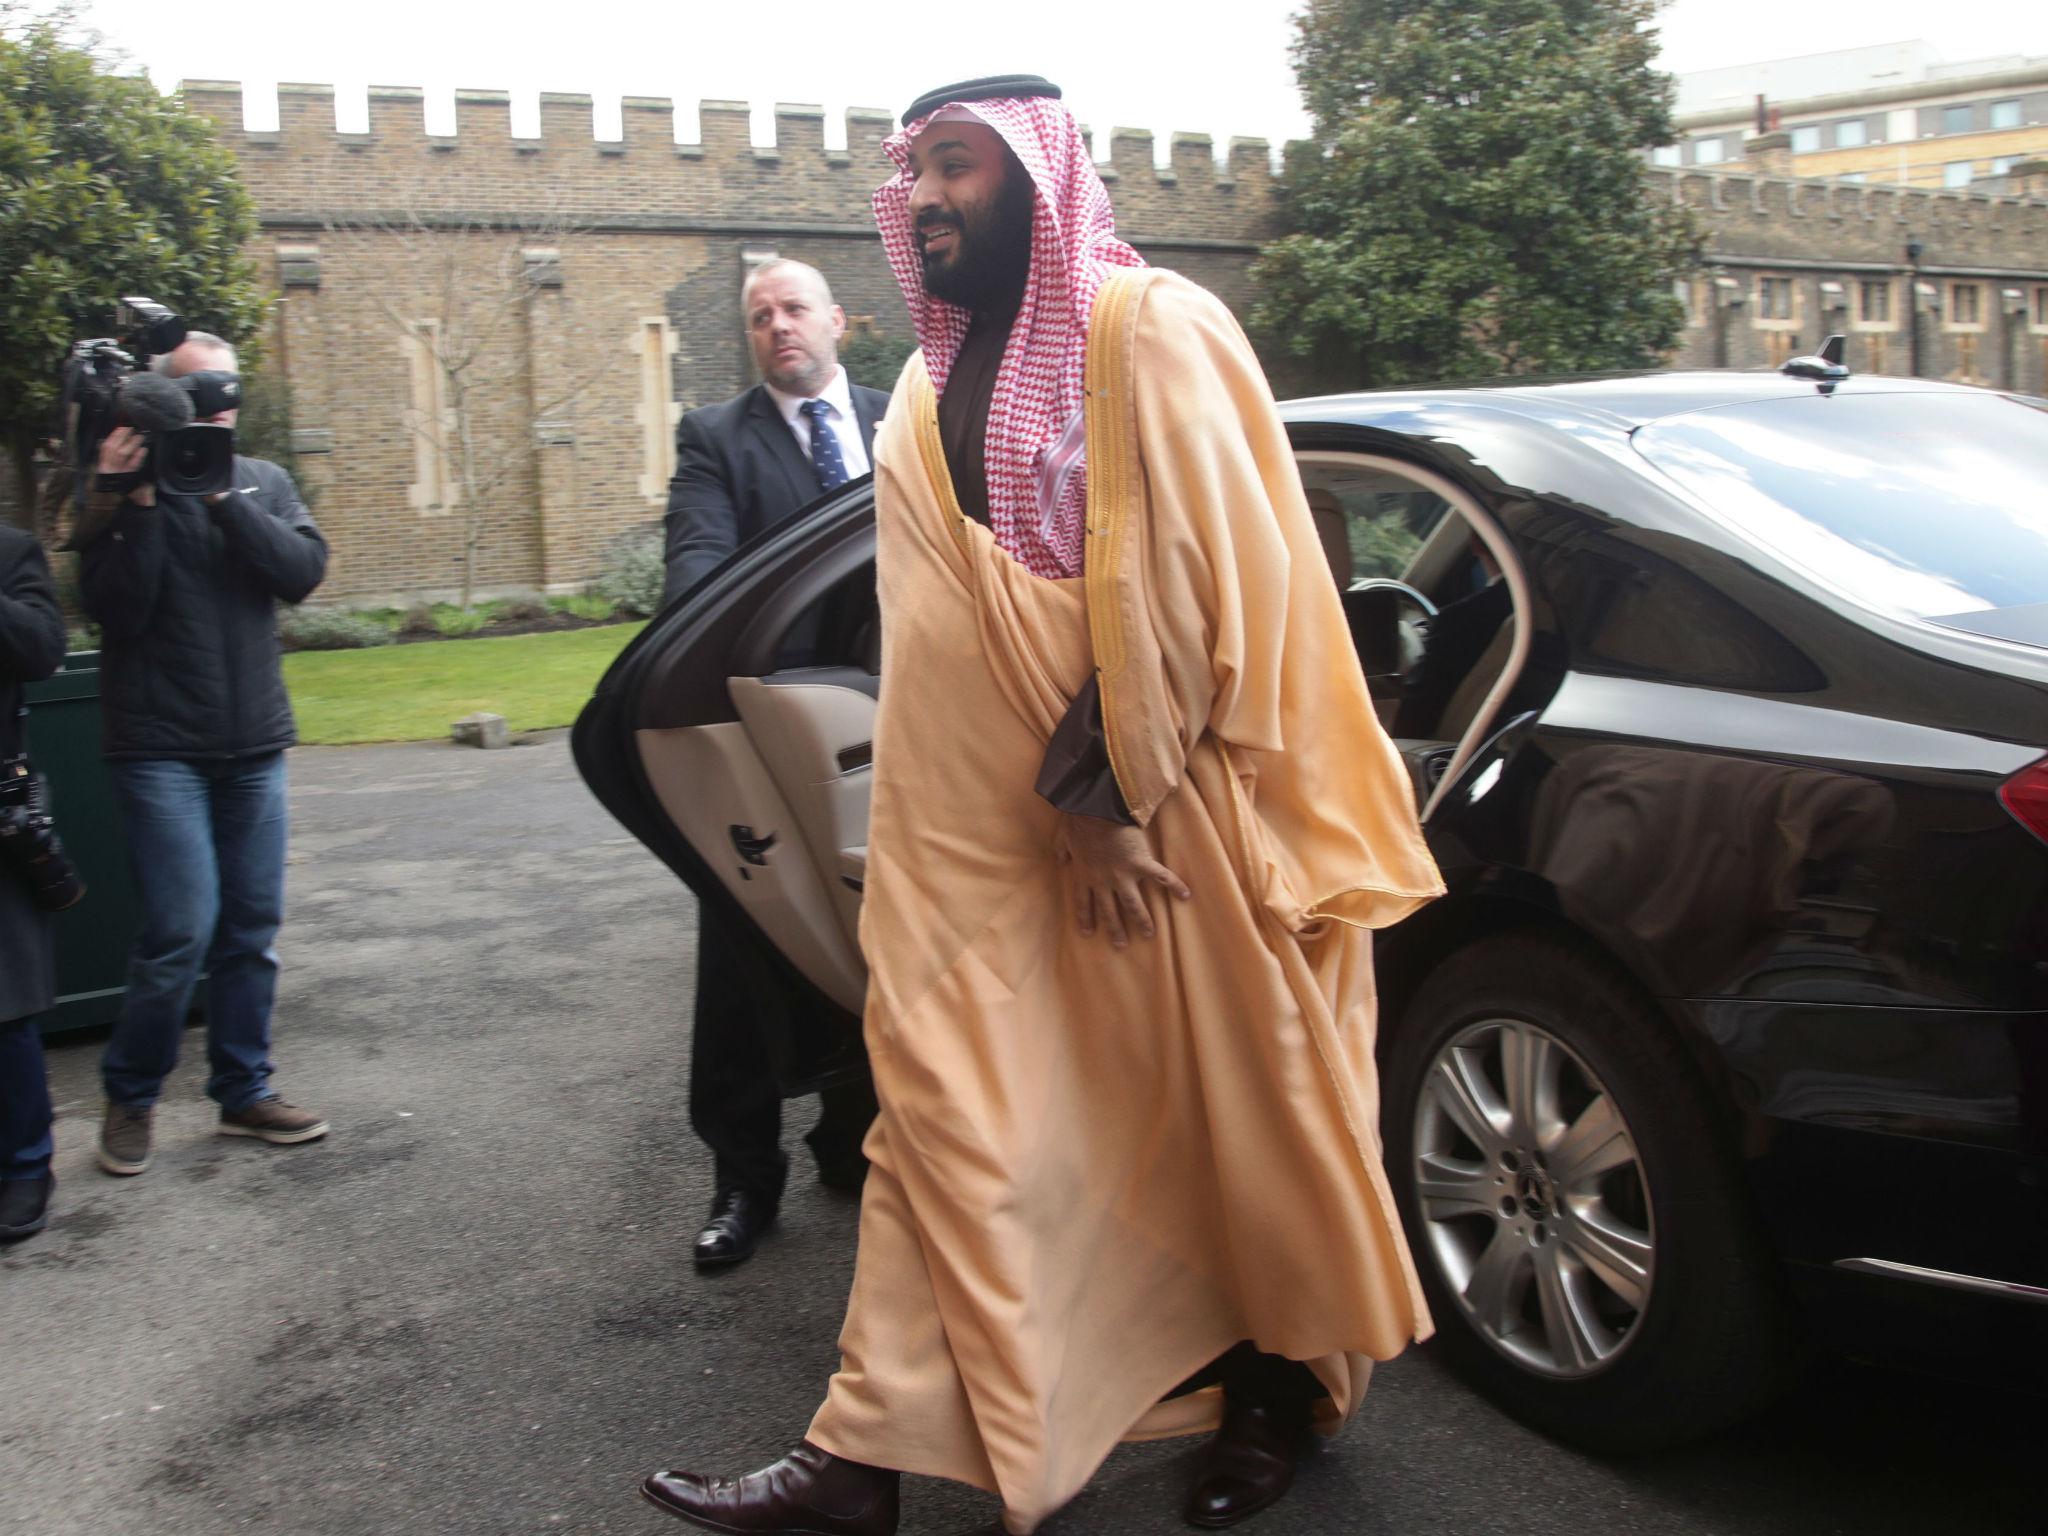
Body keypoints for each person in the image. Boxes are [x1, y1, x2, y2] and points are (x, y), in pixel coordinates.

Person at [640, 76, 1445, 1536]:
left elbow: (1214, 583)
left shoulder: (1155, 331)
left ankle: (1271, 1393)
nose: (931, 194)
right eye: (916, 171)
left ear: (1037, 175)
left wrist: (1101, 790)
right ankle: (860, 1455)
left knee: (1226, 1108)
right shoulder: (930, 378)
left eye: (961, 164)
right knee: (939, 1113)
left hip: (1154, 819)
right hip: (967, 835)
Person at [662, 259, 890, 1267]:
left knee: (882, 947)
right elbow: (697, 573)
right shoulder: (716, 440)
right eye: (759, 318)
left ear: (838, 319)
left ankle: (853, 1143)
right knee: (748, 957)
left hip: (910, 733)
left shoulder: (906, 418)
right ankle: (743, 1181)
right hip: (770, 743)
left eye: (794, 309)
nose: (777, 329)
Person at [79, 332, 330, 1177]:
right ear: (165, 402)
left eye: (231, 387)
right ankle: (133, 1093)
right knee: (179, 931)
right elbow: (116, 612)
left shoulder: (262, 480)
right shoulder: (126, 492)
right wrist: (137, 500)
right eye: (202, 389)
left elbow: (300, 572)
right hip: (159, 747)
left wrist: (224, 497)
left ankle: (242, 1090)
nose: (222, 402)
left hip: (253, 739)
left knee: (252, 928)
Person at [0, 522, 68, 1241]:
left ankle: (25, 1165)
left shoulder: (11, 553)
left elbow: (44, 650)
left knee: (6, 1003)